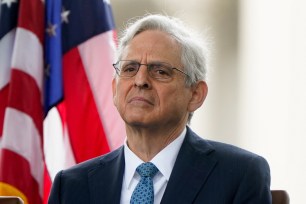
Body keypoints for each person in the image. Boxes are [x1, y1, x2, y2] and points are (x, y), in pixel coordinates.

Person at [48, 14, 271, 204]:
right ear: (115, 90)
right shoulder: (70, 186)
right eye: (130, 68)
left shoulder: (239, 174)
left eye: (160, 71)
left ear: (195, 94)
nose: (140, 80)